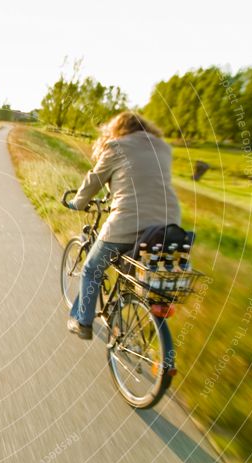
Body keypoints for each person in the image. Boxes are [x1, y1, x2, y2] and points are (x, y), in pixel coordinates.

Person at [65, 111, 181, 339]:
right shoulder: (163, 148)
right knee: (131, 268)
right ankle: (127, 310)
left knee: (91, 269)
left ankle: (83, 323)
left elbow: (94, 179)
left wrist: (78, 203)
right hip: (168, 226)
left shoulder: (117, 146)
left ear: (119, 128)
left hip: (129, 222)